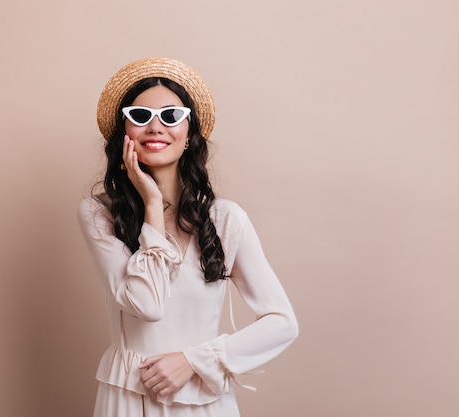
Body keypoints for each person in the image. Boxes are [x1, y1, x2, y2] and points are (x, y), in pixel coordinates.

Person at [78, 57, 298, 417]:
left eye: (170, 117)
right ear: (124, 134)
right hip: (129, 399)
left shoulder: (226, 220)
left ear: (190, 134)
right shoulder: (98, 214)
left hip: (202, 401)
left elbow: (282, 321)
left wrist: (195, 361)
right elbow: (147, 306)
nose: (155, 127)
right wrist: (151, 202)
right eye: (140, 116)